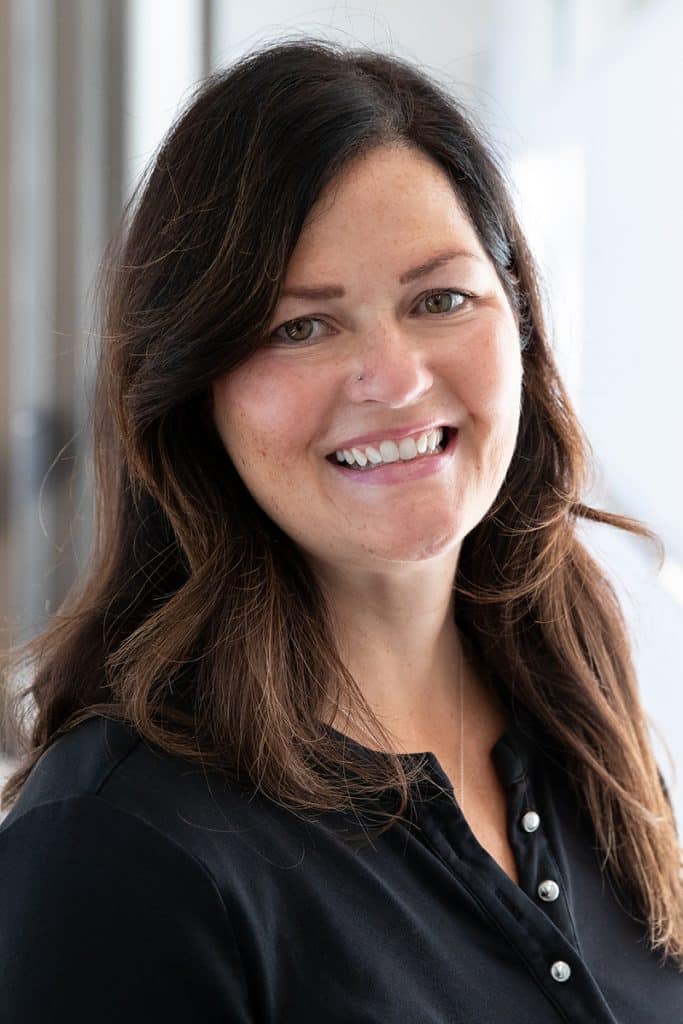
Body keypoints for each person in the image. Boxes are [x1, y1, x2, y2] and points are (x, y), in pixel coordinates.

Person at [0, 37, 681, 1024]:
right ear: (193, 390)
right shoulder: (116, 848)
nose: (396, 379)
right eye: (301, 326)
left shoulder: (581, 720)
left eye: (439, 299)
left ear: (521, 323)